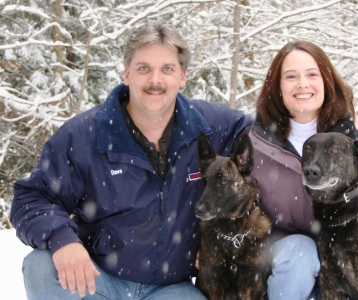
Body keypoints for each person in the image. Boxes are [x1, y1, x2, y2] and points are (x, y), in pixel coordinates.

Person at [10, 20, 252, 300]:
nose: (155, 80)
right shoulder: (84, 135)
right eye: (143, 68)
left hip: (171, 289)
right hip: (97, 280)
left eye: (167, 69)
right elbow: (32, 199)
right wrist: (62, 240)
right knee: (42, 266)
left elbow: (271, 140)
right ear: (127, 73)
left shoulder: (210, 127)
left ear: (183, 76)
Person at [248, 40, 358, 299]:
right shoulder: (255, 143)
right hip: (283, 259)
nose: (302, 84)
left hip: (346, 253)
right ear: (276, 87)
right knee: (300, 252)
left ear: (326, 81)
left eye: (312, 74)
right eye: (290, 76)